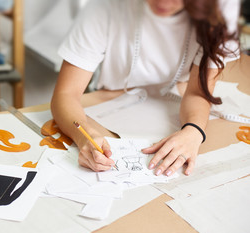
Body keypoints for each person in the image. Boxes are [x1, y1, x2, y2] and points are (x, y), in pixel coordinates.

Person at [50, 0, 241, 176]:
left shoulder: (219, 11)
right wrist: (85, 135)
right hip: (109, 103)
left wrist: (194, 131)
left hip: (176, 100)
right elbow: (66, 94)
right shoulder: (104, 6)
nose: (163, 2)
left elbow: (198, 92)